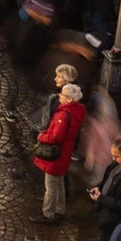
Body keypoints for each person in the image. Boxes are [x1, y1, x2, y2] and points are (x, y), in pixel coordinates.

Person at [33, 83, 86, 221]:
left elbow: (55, 137)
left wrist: (41, 137)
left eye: (62, 94)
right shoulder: (76, 111)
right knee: (59, 182)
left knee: (51, 186)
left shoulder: (63, 114)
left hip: (56, 154)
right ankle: (59, 209)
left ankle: (48, 213)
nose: (59, 96)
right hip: (64, 153)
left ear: (69, 99)